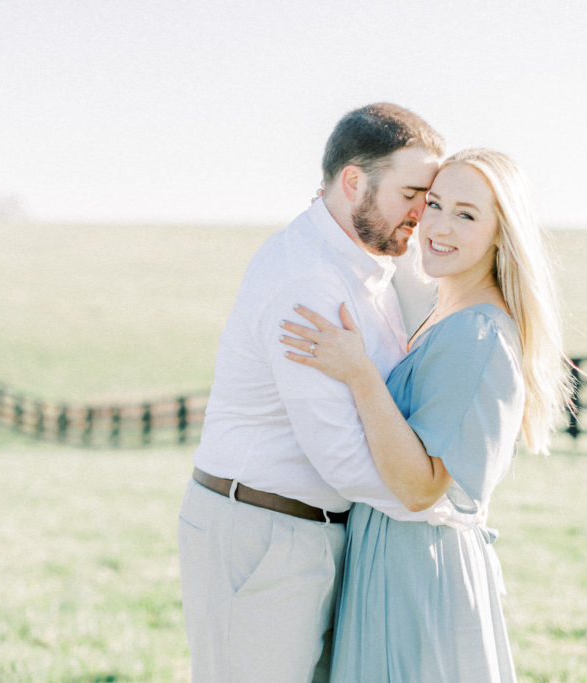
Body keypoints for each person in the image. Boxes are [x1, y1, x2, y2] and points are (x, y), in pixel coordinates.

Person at [279, 148, 573, 681]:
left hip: (419, 571)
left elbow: (421, 487)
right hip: (401, 560)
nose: (437, 225)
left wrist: (361, 374)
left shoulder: (475, 335)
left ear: (501, 235)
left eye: (466, 214)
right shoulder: (449, 317)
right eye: (434, 204)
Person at [177, 103, 444, 681]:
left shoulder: (372, 265)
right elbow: (342, 457)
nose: (423, 213)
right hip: (258, 531)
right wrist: (439, 505)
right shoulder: (306, 279)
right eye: (410, 193)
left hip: (320, 533)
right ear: (354, 181)